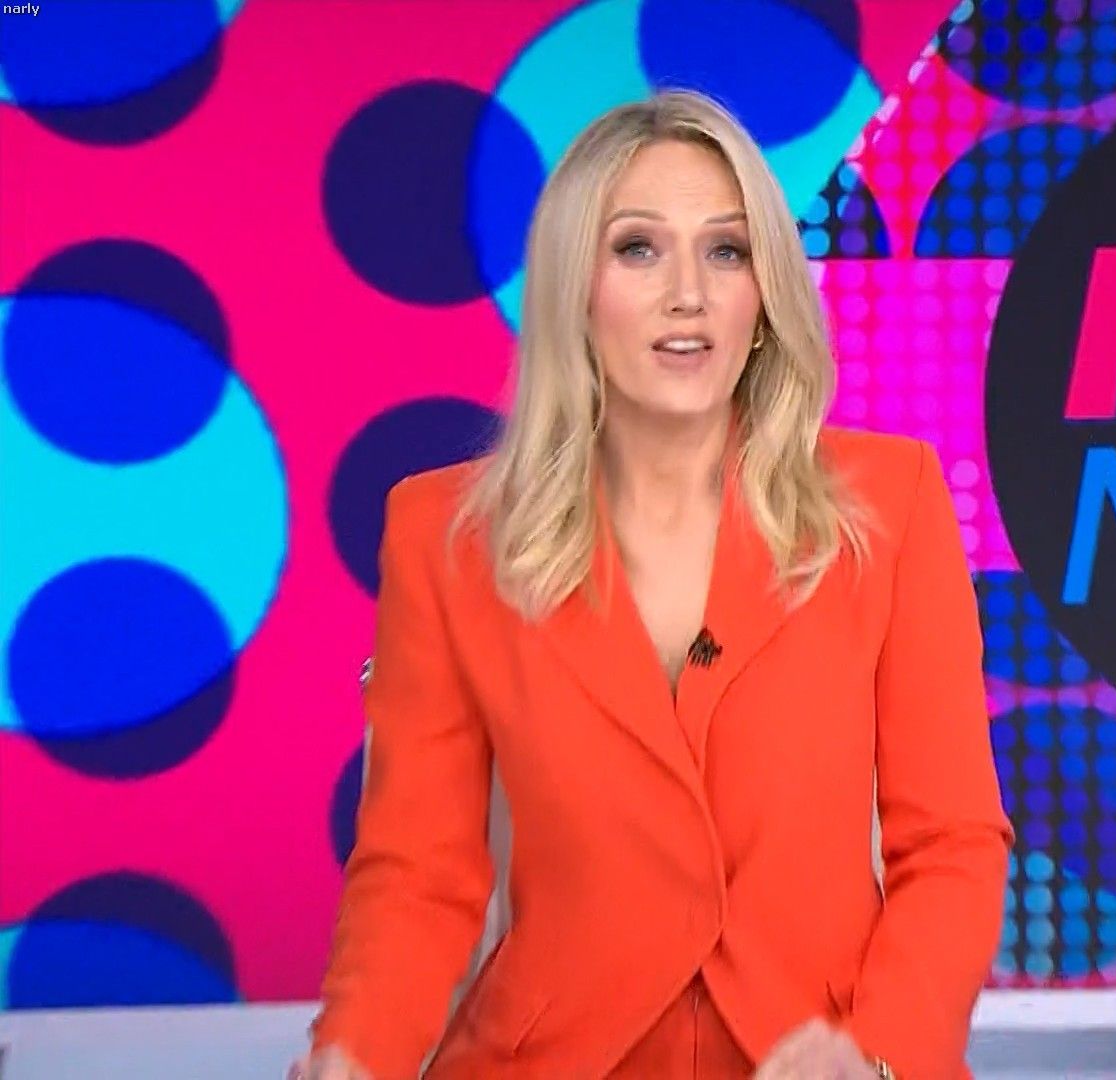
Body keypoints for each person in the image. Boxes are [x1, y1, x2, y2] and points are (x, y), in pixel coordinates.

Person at [293, 89, 1014, 1079]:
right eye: (638, 249)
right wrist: (354, 1056)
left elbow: (954, 845)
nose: (689, 294)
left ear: (763, 294)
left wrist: (877, 1052)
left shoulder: (890, 506)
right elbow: (420, 873)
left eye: (726, 251)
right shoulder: (447, 537)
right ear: (573, 290)